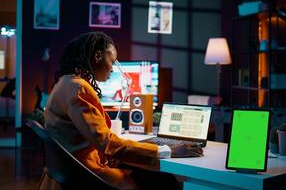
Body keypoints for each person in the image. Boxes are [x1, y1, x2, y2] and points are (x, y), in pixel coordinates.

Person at [42, 31, 203, 190]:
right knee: (165, 181)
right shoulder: (78, 88)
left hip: (74, 171)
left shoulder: (65, 83)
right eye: (112, 60)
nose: (113, 68)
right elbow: (107, 143)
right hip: (87, 175)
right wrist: (167, 150)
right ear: (98, 56)